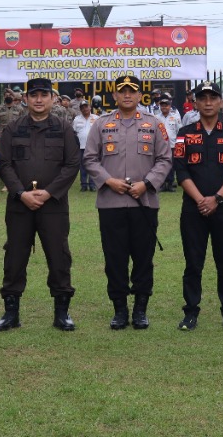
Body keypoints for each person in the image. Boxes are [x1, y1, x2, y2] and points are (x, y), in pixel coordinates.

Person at [83, 75, 173, 330]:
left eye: (132, 92)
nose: (127, 96)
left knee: (144, 258)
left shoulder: (153, 124)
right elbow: (90, 159)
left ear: (139, 96)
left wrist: (147, 183)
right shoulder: (101, 124)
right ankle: (120, 310)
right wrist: (109, 181)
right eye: (122, 91)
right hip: (111, 204)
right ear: (114, 95)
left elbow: (165, 159)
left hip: (144, 204)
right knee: (115, 259)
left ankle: (141, 310)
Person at [0, 77, 81, 331]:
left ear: (53, 98)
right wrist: (21, 193)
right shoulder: (12, 129)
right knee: (15, 256)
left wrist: (48, 193)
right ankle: (11, 313)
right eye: (34, 95)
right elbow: (5, 164)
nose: (39, 99)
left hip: (53, 204)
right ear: (26, 99)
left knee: (59, 256)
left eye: (44, 95)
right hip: (19, 204)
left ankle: (62, 313)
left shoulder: (64, 128)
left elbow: (72, 164)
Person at [173, 81, 223, 331]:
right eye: (202, 98)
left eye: (212, 98)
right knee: (193, 263)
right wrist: (200, 200)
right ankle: (190, 313)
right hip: (193, 209)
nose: (207, 102)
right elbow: (180, 170)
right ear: (195, 101)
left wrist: (216, 198)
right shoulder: (184, 132)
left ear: (220, 102)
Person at [155, 96, 182, 191]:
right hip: (160, 145)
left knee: (171, 165)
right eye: (162, 105)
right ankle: (162, 184)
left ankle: (170, 183)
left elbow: (179, 131)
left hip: (172, 145)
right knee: (160, 164)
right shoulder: (156, 118)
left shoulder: (175, 118)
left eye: (166, 105)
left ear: (170, 106)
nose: (164, 107)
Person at [72, 99, 98, 191]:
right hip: (81, 147)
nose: (85, 109)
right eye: (82, 107)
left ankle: (92, 184)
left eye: (86, 106)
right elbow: (74, 133)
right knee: (82, 166)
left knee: (93, 165)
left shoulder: (96, 118)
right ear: (80, 109)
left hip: (93, 147)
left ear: (90, 107)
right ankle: (84, 185)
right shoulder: (76, 119)